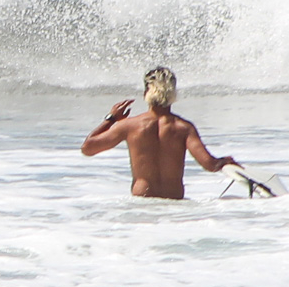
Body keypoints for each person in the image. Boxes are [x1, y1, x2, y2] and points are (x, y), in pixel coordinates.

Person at [80, 67, 236, 199]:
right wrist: (225, 161)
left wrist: (111, 118)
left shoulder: (129, 125)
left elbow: (88, 148)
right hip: (176, 207)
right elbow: (210, 164)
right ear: (172, 92)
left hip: (142, 204)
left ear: (147, 92)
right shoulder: (183, 127)